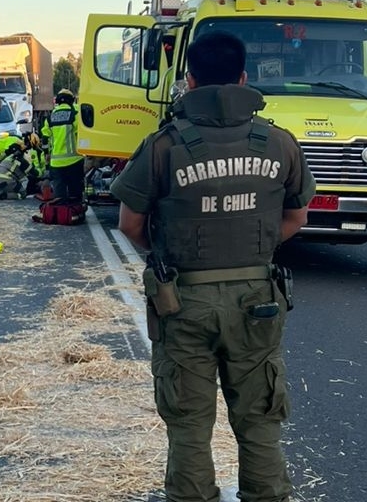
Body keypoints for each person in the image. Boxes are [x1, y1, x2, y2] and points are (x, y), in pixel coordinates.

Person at [109, 31, 316, 502]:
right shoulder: (278, 143)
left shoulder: (164, 145)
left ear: (189, 80)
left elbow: (129, 222)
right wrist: (254, 250)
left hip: (182, 301)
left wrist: (172, 255)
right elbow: (297, 216)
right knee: (261, 423)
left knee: (188, 426)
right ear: (245, 78)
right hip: (258, 301)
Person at [41, 89, 85, 203]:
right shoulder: (75, 115)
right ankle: (74, 215)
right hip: (74, 160)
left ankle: (60, 216)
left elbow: (45, 138)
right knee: (75, 196)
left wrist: (46, 154)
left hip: (56, 162)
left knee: (59, 197)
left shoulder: (50, 117)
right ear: (71, 100)